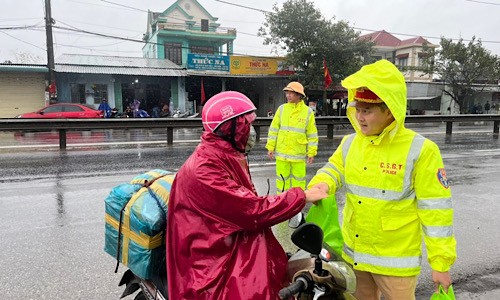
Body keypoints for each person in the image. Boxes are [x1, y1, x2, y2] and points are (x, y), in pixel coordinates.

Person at [308, 60, 457, 299]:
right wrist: (322, 183)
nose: (359, 117)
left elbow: (436, 211)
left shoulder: (421, 150)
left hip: (396, 265)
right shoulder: (350, 143)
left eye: (367, 111)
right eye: (357, 109)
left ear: (389, 110)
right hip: (355, 257)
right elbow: (333, 169)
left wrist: (440, 264)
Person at [166, 91, 327, 300]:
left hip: (222, 235)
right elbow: (253, 210)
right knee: (253, 289)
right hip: (208, 255)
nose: (251, 131)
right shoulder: (205, 169)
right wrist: (301, 197)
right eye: (246, 125)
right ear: (229, 128)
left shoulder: (226, 154)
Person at [266, 81, 318, 195]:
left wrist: (311, 152)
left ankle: (297, 202)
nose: (288, 95)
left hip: (298, 154)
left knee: (298, 181)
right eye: (287, 93)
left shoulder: (307, 112)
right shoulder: (282, 109)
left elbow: (312, 134)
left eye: (291, 93)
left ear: (299, 95)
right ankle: (282, 202)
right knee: (281, 180)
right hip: (282, 154)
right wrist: (270, 147)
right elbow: (273, 129)